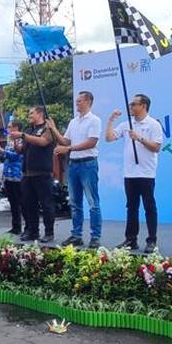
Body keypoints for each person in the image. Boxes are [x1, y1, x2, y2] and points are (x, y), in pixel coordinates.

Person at [105, 93, 164, 254]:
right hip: (130, 173)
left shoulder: (153, 124)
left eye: (134, 104)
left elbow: (156, 147)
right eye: (130, 104)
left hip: (146, 172)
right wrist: (111, 120)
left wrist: (139, 138)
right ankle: (131, 239)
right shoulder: (126, 124)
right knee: (131, 207)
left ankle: (152, 240)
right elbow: (109, 138)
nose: (130, 107)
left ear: (143, 106)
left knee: (149, 206)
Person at [54, 91, 102, 248]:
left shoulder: (95, 120)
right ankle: (76, 235)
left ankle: (95, 236)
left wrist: (68, 148)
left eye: (80, 101)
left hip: (88, 164)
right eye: (77, 101)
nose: (77, 104)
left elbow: (91, 143)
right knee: (75, 203)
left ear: (88, 101)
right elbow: (65, 140)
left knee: (92, 202)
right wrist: (53, 129)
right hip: (73, 165)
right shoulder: (73, 122)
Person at [15, 106, 60, 243]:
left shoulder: (48, 129)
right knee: (28, 204)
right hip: (27, 174)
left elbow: (42, 142)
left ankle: (49, 233)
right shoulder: (29, 130)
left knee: (46, 204)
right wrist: (16, 143)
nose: (29, 115)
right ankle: (33, 231)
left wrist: (22, 135)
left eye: (31, 113)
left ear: (40, 114)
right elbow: (22, 150)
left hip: (42, 173)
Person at [0, 123, 25, 235]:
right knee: (13, 204)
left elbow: (16, 156)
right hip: (8, 176)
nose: (8, 129)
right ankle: (16, 227)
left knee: (21, 203)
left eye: (10, 127)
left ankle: (28, 228)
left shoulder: (21, 140)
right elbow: (5, 158)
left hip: (17, 176)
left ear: (16, 128)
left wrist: (2, 151)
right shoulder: (9, 142)